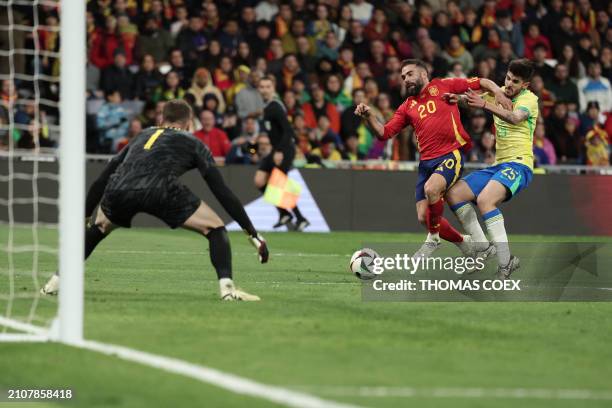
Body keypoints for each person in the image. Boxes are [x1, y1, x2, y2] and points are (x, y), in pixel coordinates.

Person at [41, 100, 268, 301]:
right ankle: (227, 290)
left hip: (120, 187)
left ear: (162, 118)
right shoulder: (193, 142)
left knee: (98, 228)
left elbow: (102, 178)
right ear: (189, 122)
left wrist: (85, 215)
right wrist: (251, 233)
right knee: (215, 227)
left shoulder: (140, 136)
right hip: (162, 189)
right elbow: (221, 190)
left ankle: (54, 283)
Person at [354, 59, 510, 258]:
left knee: (431, 189)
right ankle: (466, 244)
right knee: (423, 217)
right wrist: (368, 117)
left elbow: (482, 82)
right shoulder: (407, 106)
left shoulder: (442, 85)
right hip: (426, 163)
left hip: (450, 154)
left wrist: (497, 91)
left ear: (423, 74)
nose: (406, 79)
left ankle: (433, 239)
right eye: (403, 77)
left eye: (410, 74)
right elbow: (384, 133)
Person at [445, 59, 539, 280]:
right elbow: (470, 101)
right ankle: (484, 248)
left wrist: (486, 104)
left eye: (515, 81)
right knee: (453, 194)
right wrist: (453, 99)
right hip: (498, 165)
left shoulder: (529, 99)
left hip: (519, 164)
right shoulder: (499, 94)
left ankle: (506, 263)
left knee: (486, 200)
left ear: (525, 85)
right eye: (507, 78)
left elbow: (515, 118)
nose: (509, 84)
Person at [255, 76, 310, 231]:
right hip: (276, 149)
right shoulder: (268, 107)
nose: (264, 89)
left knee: (279, 183)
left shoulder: (275, 106)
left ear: (273, 88)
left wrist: (279, 151)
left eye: (267, 86)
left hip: (284, 149)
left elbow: (288, 130)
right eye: (262, 87)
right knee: (260, 181)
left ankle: (299, 218)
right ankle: (285, 213)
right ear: (259, 89)